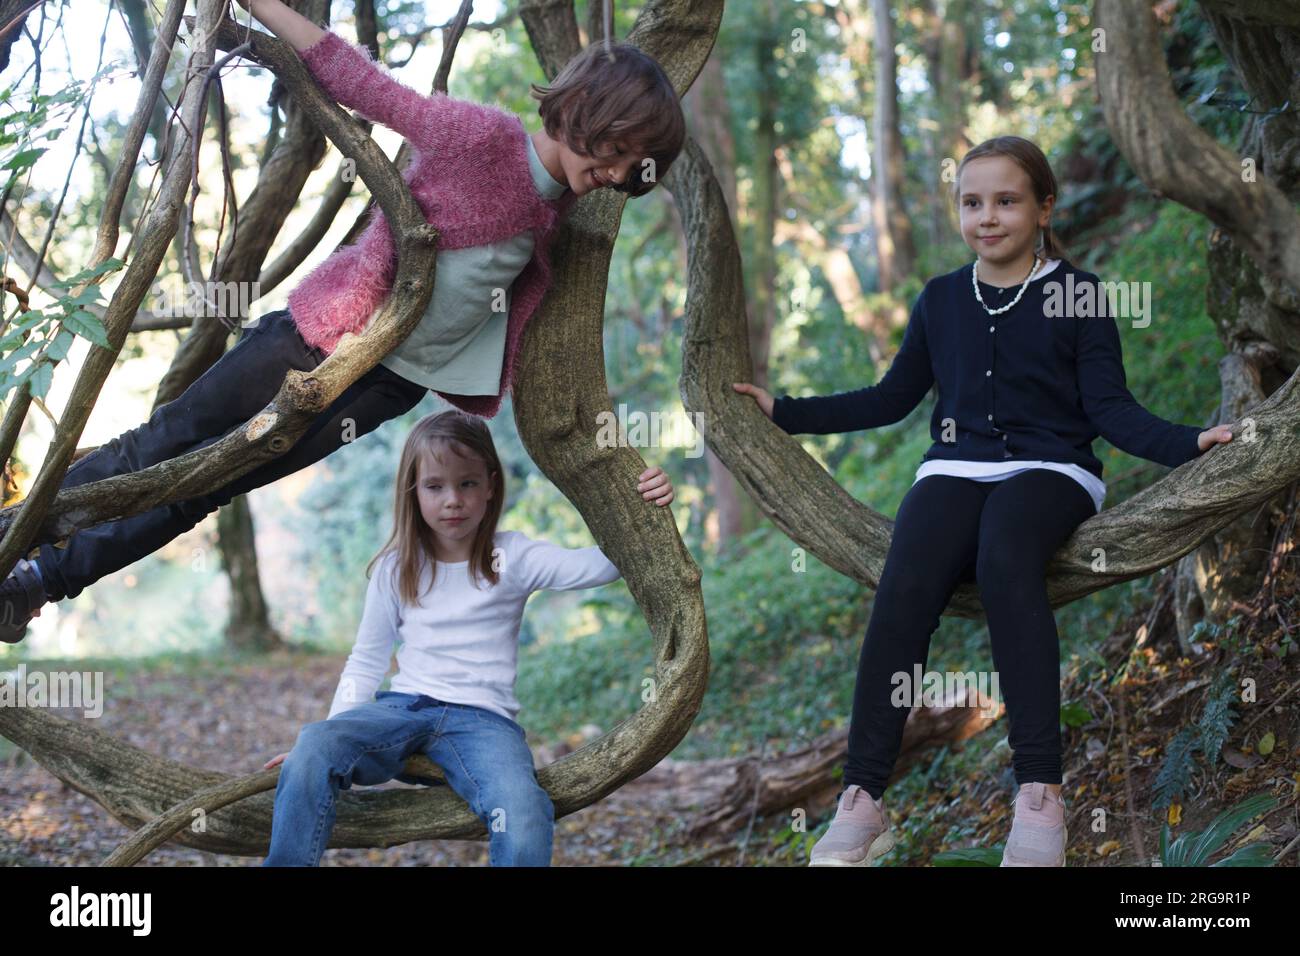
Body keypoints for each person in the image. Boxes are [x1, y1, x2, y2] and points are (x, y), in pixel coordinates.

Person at [0, 0, 685, 643]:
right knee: (163, 442)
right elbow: (367, 87)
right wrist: (264, 7)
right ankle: (11, 537)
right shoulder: (481, 139)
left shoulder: (558, 215)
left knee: (204, 487)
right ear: (588, 111)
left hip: (381, 389)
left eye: (633, 169)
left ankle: (37, 583)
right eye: (621, 151)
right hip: (311, 343)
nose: (623, 173)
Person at [733, 135, 1233, 867]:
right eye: (973, 202)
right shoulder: (940, 299)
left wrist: (1191, 442)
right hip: (954, 470)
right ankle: (862, 798)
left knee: (1004, 559)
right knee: (905, 577)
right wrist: (787, 411)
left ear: (1043, 208)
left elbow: (1111, 411)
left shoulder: (1078, 294)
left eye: (1006, 201)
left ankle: (1040, 797)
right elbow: (890, 398)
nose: (988, 217)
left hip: (1054, 469)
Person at [261, 410, 675, 865]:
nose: (452, 500)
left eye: (468, 484)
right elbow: (366, 661)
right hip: (404, 709)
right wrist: (329, 740)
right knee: (313, 746)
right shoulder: (396, 567)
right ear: (413, 491)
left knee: (523, 809)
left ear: (491, 486)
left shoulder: (513, 556)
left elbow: (604, 563)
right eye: (435, 486)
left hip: (483, 723)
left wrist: (646, 503)